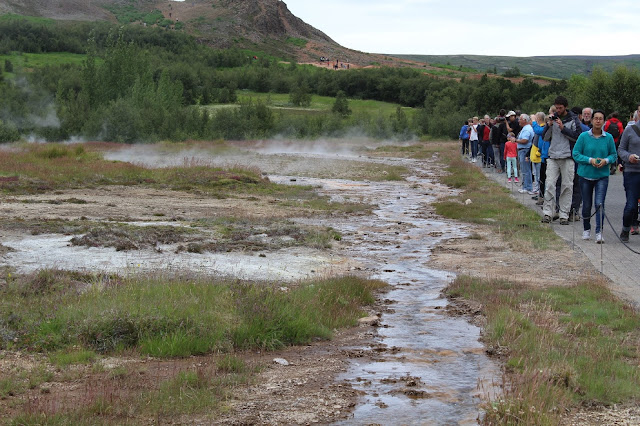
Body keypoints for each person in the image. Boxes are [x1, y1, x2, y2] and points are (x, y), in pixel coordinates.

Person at [572, 110, 617, 243]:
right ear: (591, 120)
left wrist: (606, 161)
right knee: (586, 205)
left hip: (602, 175)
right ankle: (586, 229)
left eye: (600, 119)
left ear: (604, 121)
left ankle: (599, 232)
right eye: (595, 118)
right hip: (585, 175)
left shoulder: (608, 138)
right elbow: (576, 153)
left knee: (599, 204)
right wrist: (590, 160)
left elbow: (614, 155)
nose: (598, 121)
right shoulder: (583, 137)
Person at [541, 96, 583, 225]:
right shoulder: (552, 119)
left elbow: (577, 137)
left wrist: (563, 128)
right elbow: (545, 137)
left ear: (565, 107)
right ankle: (548, 213)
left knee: (567, 186)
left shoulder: (573, 119)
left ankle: (564, 214)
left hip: (567, 156)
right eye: (556, 108)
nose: (558, 110)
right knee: (550, 184)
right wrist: (549, 125)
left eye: (560, 108)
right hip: (553, 156)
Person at [618, 109, 640, 242]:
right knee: (631, 205)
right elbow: (620, 149)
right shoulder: (630, 130)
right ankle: (626, 229)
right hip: (632, 171)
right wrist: (629, 157)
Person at [515, 114, 535, 194]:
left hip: (524, 150)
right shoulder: (525, 128)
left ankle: (528, 187)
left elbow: (525, 140)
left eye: (520, 119)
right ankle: (525, 186)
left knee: (525, 169)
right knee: (524, 169)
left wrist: (515, 140)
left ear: (525, 120)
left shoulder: (527, 129)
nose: (519, 121)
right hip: (523, 150)